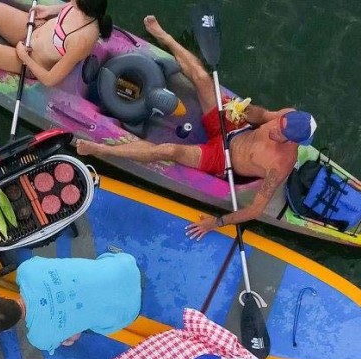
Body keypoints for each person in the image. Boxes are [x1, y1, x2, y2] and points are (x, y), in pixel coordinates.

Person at [75, 15, 317, 240]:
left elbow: (254, 210)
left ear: (293, 142)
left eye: (280, 133)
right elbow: (263, 115)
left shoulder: (280, 165)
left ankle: (100, 150)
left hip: (222, 160)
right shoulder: (287, 115)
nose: (274, 129)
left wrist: (216, 222)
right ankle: (164, 36)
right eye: (279, 125)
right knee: (202, 78)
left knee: (169, 151)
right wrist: (243, 111)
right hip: (235, 128)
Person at [0, 252, 142, 352]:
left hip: (128, 311)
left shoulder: (40, 339)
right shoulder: (27, 270)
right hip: (125, 267)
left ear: (8, 328)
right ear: (2, 298)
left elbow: (74, 336)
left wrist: (68, 334)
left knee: (71, 337)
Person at [0, 0, 112, 87]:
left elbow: (50, 79)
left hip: (30, 61)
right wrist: (50, 10)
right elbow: (69, 6)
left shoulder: (82, 41)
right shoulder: (83, 8)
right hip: (34, 29)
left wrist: (25, 56)